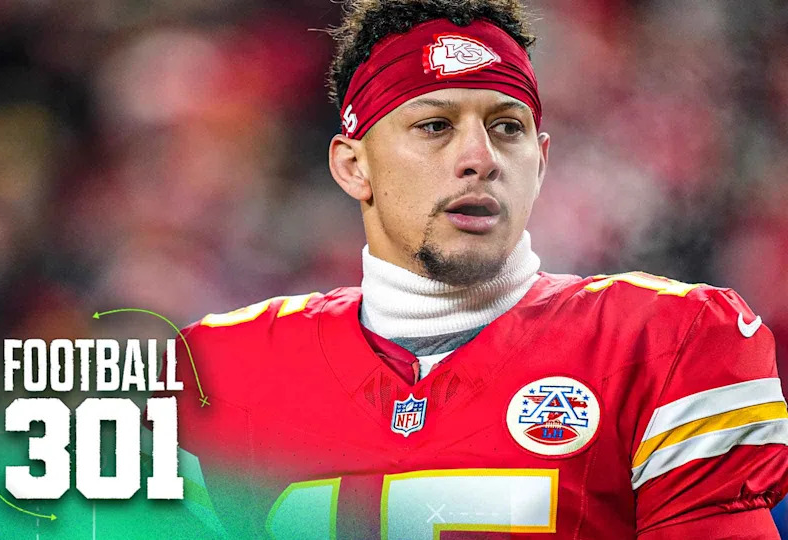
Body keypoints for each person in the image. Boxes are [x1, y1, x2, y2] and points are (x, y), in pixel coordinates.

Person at [155, 1, 788, 537]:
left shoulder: (667, 342)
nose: (480, 158)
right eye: (434, 125)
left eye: (506, 127)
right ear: (354, 166)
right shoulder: (214, 372)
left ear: (539, 162)